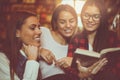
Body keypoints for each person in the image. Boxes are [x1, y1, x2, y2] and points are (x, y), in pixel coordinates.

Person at [68, 0, 120, 80]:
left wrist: (100, 72)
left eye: (96, 16)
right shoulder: (76, 39)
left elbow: (117, 68)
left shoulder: (111, 37)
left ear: (102, 18)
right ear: (81, 16)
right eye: (86, 15)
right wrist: (82, 75)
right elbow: (70, 71)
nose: (90, 20)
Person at [0, 10, 52, 80]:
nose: (39, 31)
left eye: (39, 27)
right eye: (32, 28)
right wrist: (32, 60)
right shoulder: (2, 59)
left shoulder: (39, 53)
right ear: (17, 33)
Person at [39, 4, 80, 80]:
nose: (68, 25)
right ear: (55, 23)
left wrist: (74, 64)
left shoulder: (77, 45)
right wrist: (39, 51)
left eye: (71, 21)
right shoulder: (43, 33)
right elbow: (17, 44)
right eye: (62, 22)